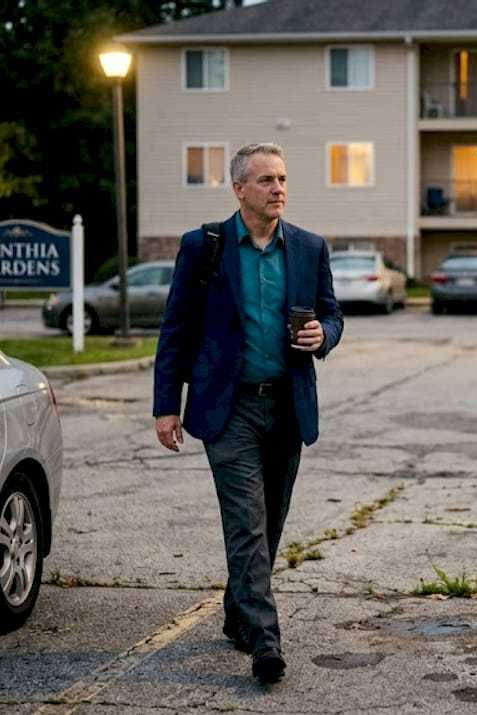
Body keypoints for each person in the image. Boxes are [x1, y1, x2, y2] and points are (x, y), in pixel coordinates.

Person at [152, 142, 343, 684]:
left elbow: (332, 314)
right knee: (247, 525)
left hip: (286, 405)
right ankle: (266, 642)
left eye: (282, 178)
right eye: (265, 180)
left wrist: (321, 335)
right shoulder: (203, 247)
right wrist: (166, 405)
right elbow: (176, 329)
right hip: (227, 408)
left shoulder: (308, 247)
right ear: (239, 189)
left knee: (270, 524)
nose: (277, 188)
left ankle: (239, 614)